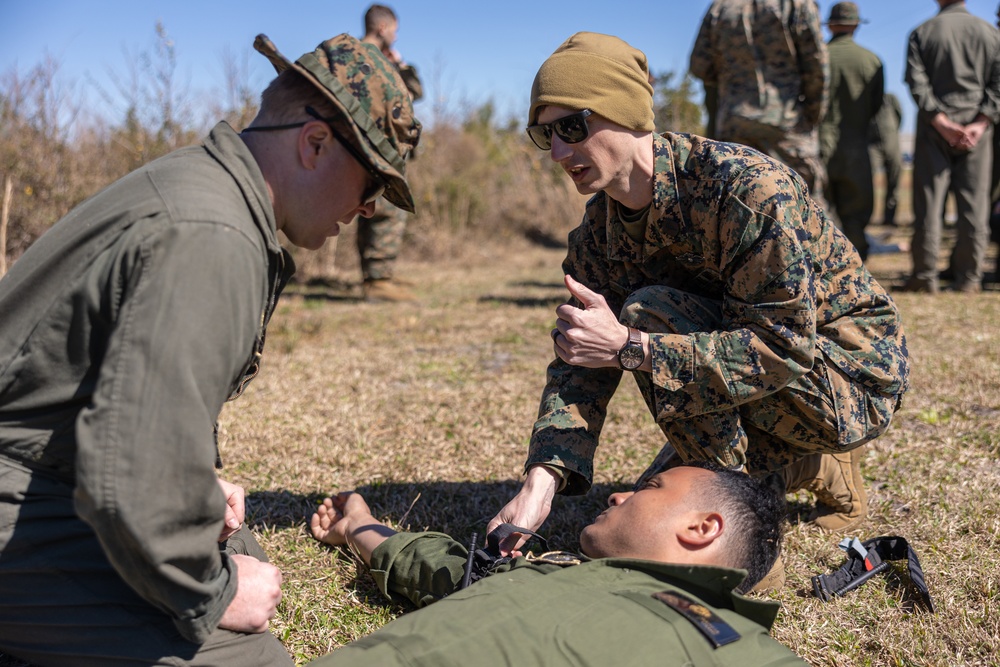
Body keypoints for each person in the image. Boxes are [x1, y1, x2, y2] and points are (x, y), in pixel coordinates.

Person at [0, 32, 420, 666]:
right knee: (251, 651)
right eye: (369, 184)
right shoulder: (213, 235)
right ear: (314, 144)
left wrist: (196, 479)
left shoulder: (202, 186)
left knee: (238, 546)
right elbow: (130, 478)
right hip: (27, 498)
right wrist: (210, 593)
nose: (366, 209)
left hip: (53, 470)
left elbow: (120, 396)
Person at [489, 33, 909, 573]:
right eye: (544, 133)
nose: (559, 152)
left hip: (848, 377)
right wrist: (540, 483)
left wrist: (633, 348)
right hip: (760, 377)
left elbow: (783, 347)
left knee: (647, 315)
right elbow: (579, 364)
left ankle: (737, 540)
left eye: (573, 126)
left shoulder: (745, 189)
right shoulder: (597, 235)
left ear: (628, 114)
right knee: (644, 514)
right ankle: (809, 466)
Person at [305, 462, 807, 666]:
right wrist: (356, 525)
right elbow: (436, 564)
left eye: (649, 488)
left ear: (701, 529)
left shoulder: (734, 643)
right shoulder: (546, 575)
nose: (617, 494)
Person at [690, 0, 829, 206]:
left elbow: (699, 66)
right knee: (805, 207)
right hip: (787, 123)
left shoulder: (720, 7)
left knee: (739, 206)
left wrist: (733, 82)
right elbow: (817, 65)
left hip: (735, 124)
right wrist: (812, 115)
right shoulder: (797, 4)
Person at [903, 0, 1000, 294]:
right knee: (975, 205)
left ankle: (925, 276)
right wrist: (980, 123)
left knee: (930, 205)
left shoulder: (922, 32)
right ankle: (969, 278)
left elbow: (916, 81)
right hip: (976, 130)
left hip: (935, 129)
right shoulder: (990, 33)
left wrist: (941, 121)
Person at [355, 3, 424, 302]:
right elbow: (412, 94)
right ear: (383, 28)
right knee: (384, 210)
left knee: (375, 209)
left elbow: (416, 93)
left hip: (373, 146)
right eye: (394, 30)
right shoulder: (368, 59)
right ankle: (377, 280)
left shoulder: (354, 56)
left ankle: (379, 276)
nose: (395, 36)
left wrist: (400, 63)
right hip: (376, 148)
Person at [820, 1, 884, 261]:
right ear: (856, 25)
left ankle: (823, 261)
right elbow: (876, 106)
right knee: (856, 211)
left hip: (818, 143)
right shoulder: (871, 60)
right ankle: (857, 265)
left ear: (831, 24)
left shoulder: (818, 56)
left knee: (819, 208)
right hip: (855, 143)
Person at [869, 93, 904, 227]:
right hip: (872, 144)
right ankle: (865, 218)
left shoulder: (890, 98)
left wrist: (892, 132)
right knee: (866, 179)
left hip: (892, 142)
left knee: (895, 179)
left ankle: (890, 217)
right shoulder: (867, 99)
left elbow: (900, 115)